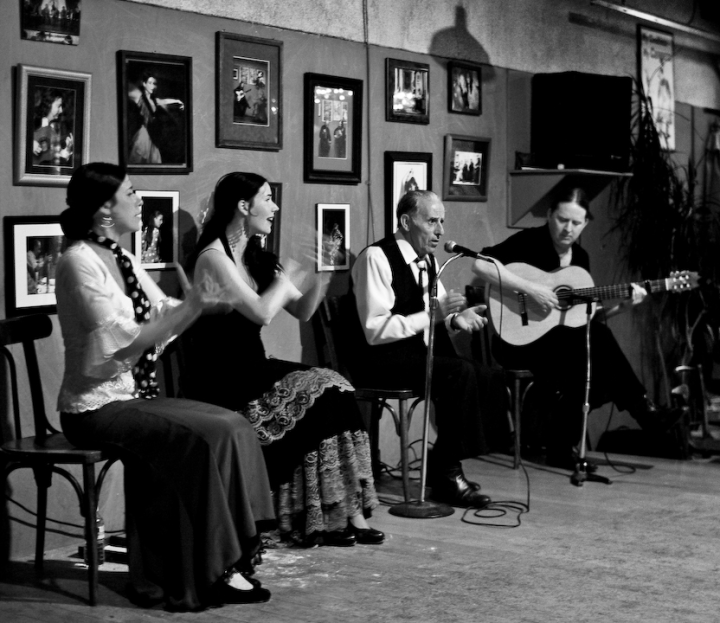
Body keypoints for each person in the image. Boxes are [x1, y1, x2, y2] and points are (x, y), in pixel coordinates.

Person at [56, 162, 276, 610]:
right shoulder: (78, 263)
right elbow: (129, 338)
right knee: (202, 437)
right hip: (93, 408)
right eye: (131, 193)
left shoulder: (122, 256)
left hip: (131, 400)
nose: (139, 201)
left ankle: (234, 556)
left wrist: (201, 305)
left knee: (233, 424)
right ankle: (212, 569)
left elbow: (165, 311)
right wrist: (192, 306)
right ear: (103, 211)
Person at [182, 172, 384, 547]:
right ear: (244, 207)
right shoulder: (213, 257)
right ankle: (319, 519)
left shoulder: (258, 258)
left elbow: (303, 310)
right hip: (222, 377)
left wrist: (319, 274)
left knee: (337, 388)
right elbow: (261, 311)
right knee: (324, 387)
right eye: (267, 199)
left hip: (254, 367)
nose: (274, 207)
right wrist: (286, 275)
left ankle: (345, 515)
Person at [474, 187, 680, 469]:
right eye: (562, 220)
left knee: (590, 358)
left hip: (562, 344)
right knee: (592, 350)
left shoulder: (581, 259)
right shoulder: (528, 241)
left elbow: (582, 318)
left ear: (585, 224)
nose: (567, 228)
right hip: (517, 340)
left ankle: (563, 448)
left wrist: (624, 307)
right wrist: (531, 289)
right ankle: (642, 409)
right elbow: (480, 265)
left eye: (576, 223)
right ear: (549, 215)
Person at [348, 190, 508, 509]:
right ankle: (447, 472)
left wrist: (455, 320)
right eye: (432, 221)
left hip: (415, 356)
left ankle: (445, 463)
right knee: (459, 373)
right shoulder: (376, 258)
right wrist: (435, 316)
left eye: (442, 221)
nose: (441, 231)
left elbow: (435, 318)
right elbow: (374, 329)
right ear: (407, 221)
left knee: (487, 375)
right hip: (380, 360)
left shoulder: (430, 261)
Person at [127, 70, 184, 164]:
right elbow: (128, 89)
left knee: (155, 160)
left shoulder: (154, 100)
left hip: (153, 134)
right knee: (138, 158)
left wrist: (177, 101)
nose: (153, 86)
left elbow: (164, 101)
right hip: (143, 134)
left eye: (154, 83)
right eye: (150, 83)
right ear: (144, 84)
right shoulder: (139, 96)